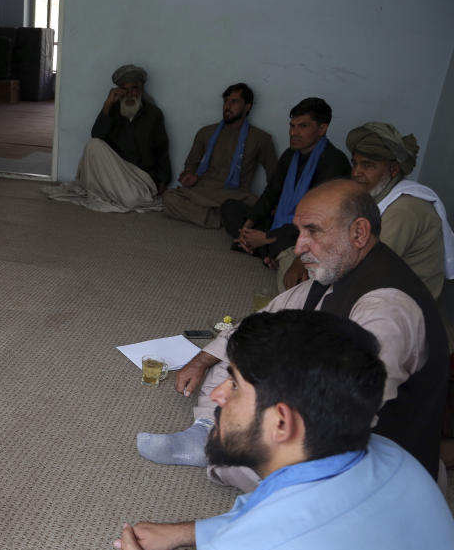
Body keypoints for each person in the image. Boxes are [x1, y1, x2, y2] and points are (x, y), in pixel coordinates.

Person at [40, 310, 454, 550]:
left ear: (281, 423)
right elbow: (284, 515)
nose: (217, 394)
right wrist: (186, 533)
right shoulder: (395, 459)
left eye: (234, 385)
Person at [138, 180, 447, 487]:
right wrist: (202, 359)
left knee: (246, 462)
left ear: (358, 232)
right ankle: (208, 427)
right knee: (238, 355)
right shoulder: (335, 271)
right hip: (331, 404)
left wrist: (266, 422)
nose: (299, 247)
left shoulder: (387, 309)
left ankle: (218, 449)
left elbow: (345, 417)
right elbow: (259, 323)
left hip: (375, 462)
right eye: (300, 232)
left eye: (312, 232)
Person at [282, 121, 454, 298]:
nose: (356, 172)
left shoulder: (404, 210)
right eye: (355, 163)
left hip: (405, 301)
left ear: (393, 169)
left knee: (305, 290)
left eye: (367, 165)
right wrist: (303, 260)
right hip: (375, 277)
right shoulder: (375, 193)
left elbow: (366, 264)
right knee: (294, 261)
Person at [222, 97, 350, 267]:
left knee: (310, 241)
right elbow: (270, 194)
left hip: (310, 231)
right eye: (292, 126)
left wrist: (266, 237)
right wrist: (247, 228)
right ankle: (265, 249)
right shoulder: (290, 154)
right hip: (280, 223)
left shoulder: (334, 162)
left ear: (322, 128)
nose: (293, 133)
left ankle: (267, 249)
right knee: (229, 207)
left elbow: (320, 221)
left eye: (303, 126)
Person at [45, 64, 170, 213]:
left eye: (134, 88)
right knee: (93, 145)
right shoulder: (112, 110)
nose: (130, 94)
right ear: (119, 91)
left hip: (141, 175)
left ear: (142, 89)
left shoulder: (153, 114)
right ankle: (114, 192)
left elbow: (161, 148)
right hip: (116, 172)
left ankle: (119, 193)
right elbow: (97, 135)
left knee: (133, 200)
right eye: (125, 89)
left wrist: (163, 181)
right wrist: (107, 104)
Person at [162, 83, 276, 228]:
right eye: (226, 101)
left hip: (235, 195)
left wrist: (273, 203)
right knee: (169, 198)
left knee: (256, 204)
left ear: (248, 106)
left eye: (234, 102)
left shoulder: (261, 139)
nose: (227, 106)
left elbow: (274, 176)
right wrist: (190, 174)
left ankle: (218, 215)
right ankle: (221, 219)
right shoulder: (206, 132)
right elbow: (191, 164)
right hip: (203, 190)